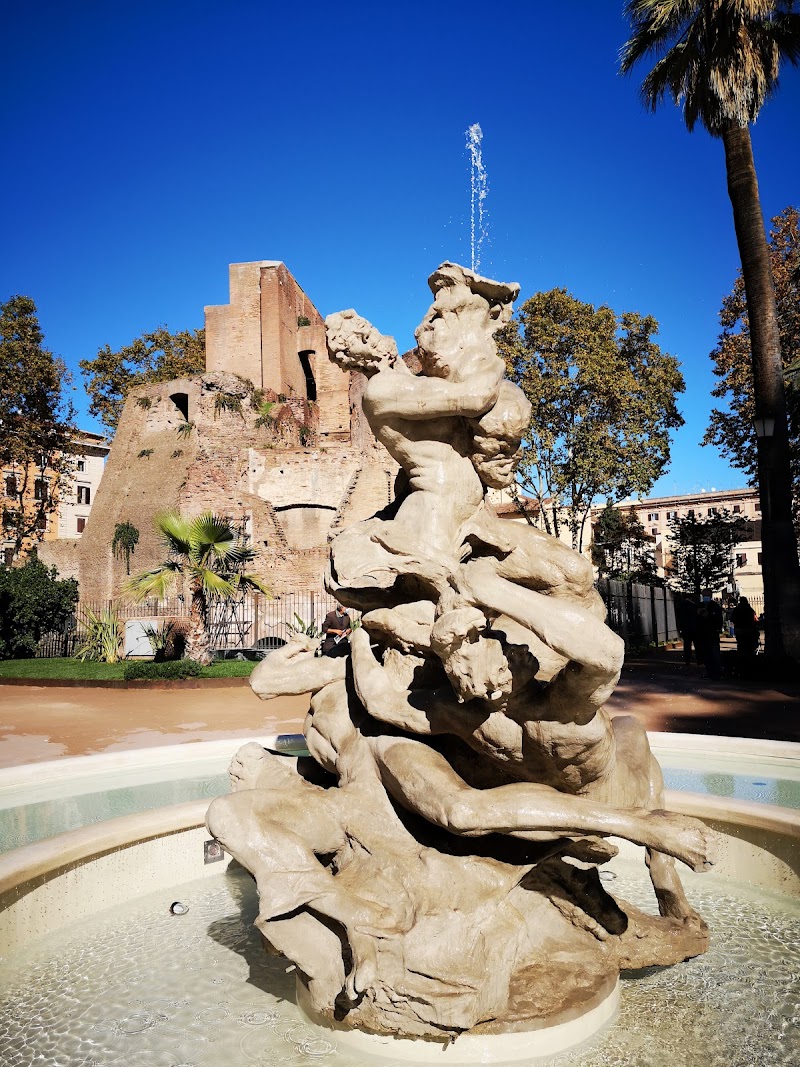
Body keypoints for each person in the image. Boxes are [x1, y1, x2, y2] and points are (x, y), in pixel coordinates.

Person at [696, 595, 723, 680]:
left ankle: (716, 673)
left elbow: (718, 619)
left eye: (706, 595)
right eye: (704, 595)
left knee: (714, 654)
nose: (705, 598)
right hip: (703, 633)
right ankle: (710, 672)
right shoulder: (700, 605)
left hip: (712, 633)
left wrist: (709, 616)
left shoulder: (715, 606)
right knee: (706, 654)